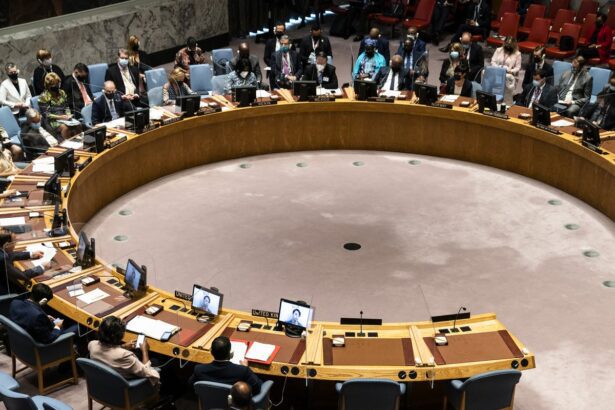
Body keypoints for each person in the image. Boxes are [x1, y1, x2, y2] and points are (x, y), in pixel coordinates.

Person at [88, 316, 160, 386]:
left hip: (104, 382)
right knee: (156, 361)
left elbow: (109, 351)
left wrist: (123, 346)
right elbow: (150, 374)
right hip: (126, 387)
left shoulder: (92, 345)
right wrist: (145, 351)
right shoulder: (125, 355)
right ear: (120, 335)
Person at [189, 336, 262, 394]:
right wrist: (246, 368)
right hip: (233, 404)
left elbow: (192, 385)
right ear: (230, 354)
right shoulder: (243, 370)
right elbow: (257, 387)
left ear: (211, 352)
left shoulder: (199, 369)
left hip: (208, 403)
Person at [9, 283, 78, 344]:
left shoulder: (15, 303)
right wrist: (57, 326)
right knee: (77, 327)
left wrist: (45, 317)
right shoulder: (37, 316)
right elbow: (48, 339)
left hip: (21, 338)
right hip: (42, 344)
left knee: (60, 319)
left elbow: (28, 316)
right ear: (43, 300)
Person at [0, 230, 51, 294]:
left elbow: (11, 255)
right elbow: (22, 276)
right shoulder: (2, 259)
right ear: (7, 245)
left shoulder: (1, 249)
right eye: (14, 242)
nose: (16, 244)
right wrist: (42, 267)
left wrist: (31, 254)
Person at [38, 72, 82, 141]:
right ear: (48, 86)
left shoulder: (62, 92)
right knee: (65, 128)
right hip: (51, 120)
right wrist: (61, 117)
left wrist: (68, 114)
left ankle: (80, 142)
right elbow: (46, 114)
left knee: (78, 125)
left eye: (57, 83)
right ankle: (66, 145)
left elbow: (66, 107)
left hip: (64, 117)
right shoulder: (43, 97)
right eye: (54, 84)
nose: (56, 86)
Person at [491, 37, 522, 104]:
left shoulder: (517, 54)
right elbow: (493, 61)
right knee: (495, 93)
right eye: (507, 44)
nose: (508, 46)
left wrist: (510, 71)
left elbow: (518, 67)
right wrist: (498, 68)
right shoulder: (498, 50)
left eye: (510, 45)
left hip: (509, 74)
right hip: (498, 72)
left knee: (506, 96)